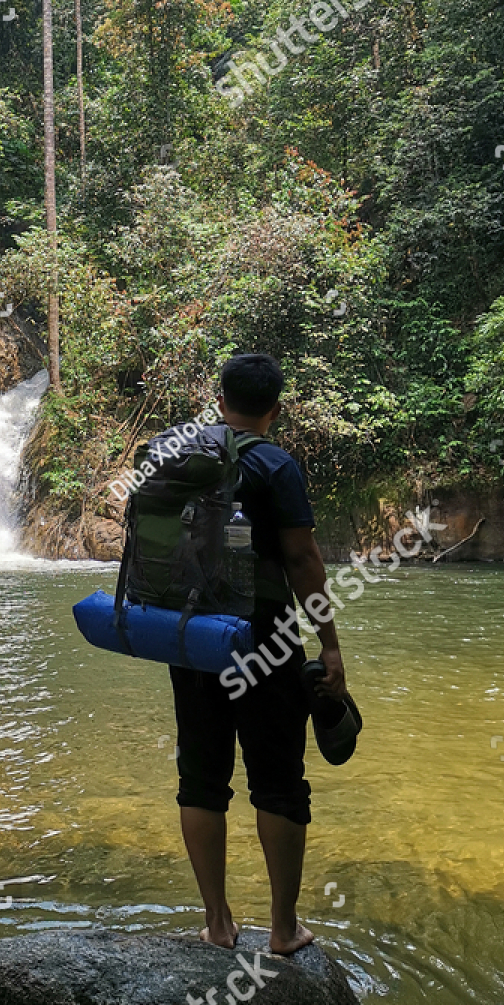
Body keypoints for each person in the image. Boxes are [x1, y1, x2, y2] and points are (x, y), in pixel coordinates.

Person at [170, 352, 346, 955]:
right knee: (277, 781)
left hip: (194, 637)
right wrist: (328, 646)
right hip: (265, 637)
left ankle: (218, 925)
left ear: (220, 401)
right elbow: (302, 561)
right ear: (275, 407)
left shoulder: (184, 457)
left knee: (200, 779)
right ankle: (283, 929)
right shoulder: (276, 466)